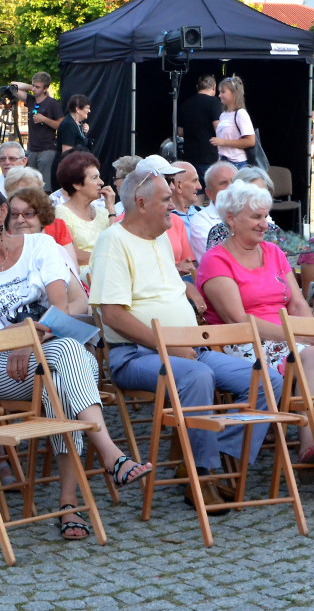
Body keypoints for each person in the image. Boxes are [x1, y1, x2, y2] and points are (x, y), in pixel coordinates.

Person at [0, 182, 152, 538]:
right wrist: (24, 341)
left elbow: (59, 308)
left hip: (52, 356)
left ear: (1, 213)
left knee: (61, 379)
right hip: (6, 367)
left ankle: (68, 504)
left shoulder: (40, 246)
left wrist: (28, 339)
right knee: (69, 355)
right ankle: (111, 456)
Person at [90, 167, 284, 512]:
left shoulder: (162, 237)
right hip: (135, 355)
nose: (174, 205)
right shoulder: (113, 241)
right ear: (141, 203)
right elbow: (113, 315)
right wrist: (165, 345)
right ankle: (202, 474)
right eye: (166, 199)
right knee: (198, 376)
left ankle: (212, 453)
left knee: (267, 380)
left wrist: (188, 295)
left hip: (190, 348)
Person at [197, 181, 314, 463]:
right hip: (242, 341)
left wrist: (313, 332)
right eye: (256, 217)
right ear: (230, 218)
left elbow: (298, 302)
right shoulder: (215, 260)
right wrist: (299, 337)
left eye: (265, 216)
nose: (264, 224)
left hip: (289, 335)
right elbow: (238, 320)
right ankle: (308, 444)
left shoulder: (274, 253)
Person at [54, 151, 115, 269]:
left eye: (99, 177)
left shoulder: (103, 212)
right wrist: (109, 257)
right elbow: (73, 254)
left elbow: (116, 244)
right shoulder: (61, 212)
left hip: (108, 270)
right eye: (94, 178)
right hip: (83, 279)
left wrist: (111, 209)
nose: (101, 182)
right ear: (76, 184)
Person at [11, 72, 63, 192]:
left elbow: (61, 125)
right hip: (32, 149)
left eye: (38, 87)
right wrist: (30, 87)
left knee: (45, 187)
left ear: (46, 88)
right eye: (33, 86)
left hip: (47, 149)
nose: (34, 89)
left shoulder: (52, 103)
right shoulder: (31, 100)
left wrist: (44, 119)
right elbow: (13, 86)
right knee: (30, 186)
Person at [177, 75, 223, 183]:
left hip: (189, 154)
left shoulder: (185, 104)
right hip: (209, 154)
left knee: (196, 190)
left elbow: (179, 132)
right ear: (214, 87)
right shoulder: (214, 103)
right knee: (213, 187)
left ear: (197, 87)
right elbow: (218, 129)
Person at [188, 161, 236, 260]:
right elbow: (218, 259)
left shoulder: (253, 212)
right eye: (223, 183)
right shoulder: (200, 221)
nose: (231, 187)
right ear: (209, 193)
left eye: (234, 182)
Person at [211, 76, 254, 170]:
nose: (219, 95)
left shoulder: (240, 113)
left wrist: (224, 142)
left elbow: (250, 141)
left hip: (237, 163)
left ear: (234, 93)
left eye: (223, 91)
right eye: (219, 92)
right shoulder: (223, 115)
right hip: (223, 161)